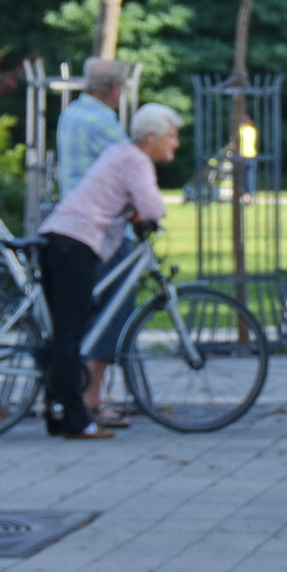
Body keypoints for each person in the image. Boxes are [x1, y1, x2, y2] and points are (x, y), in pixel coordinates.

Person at [38, 103, 180, 440]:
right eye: (172, 137)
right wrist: (142, 214)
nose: (175, 144)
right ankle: (77, 422)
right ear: (151, 137)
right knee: (70, 333)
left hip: (60, 236)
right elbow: (153, 207)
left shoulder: (118, 152)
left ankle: (56, 411)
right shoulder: (135, 159)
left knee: (64, 332)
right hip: (77, 242)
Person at [55, 57, 132, 428]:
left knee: (80, 315)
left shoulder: (71, 115)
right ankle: (92, 397)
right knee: (112, 312)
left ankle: (70, 392)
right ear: (115, 88)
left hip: (72, 223)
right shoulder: (103, 122)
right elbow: (131, 167)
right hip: (102, 227)